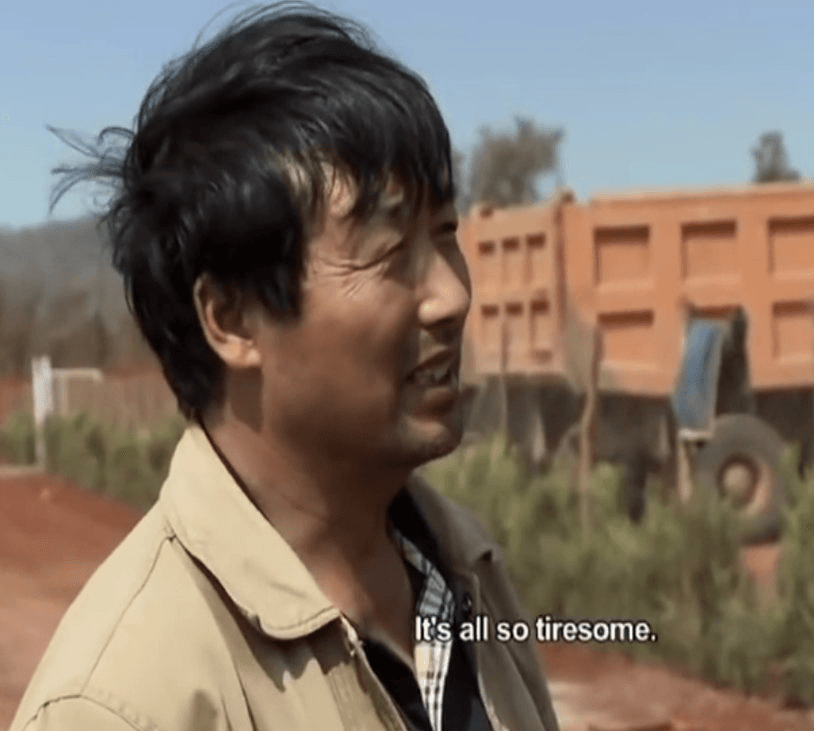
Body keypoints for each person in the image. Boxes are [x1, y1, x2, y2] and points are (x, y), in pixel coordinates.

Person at [10, 4, 561, 730]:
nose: (453, 296)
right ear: (232, 317)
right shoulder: (122, 704)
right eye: (391, 253)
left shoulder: (463, 567)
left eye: (447, 234)